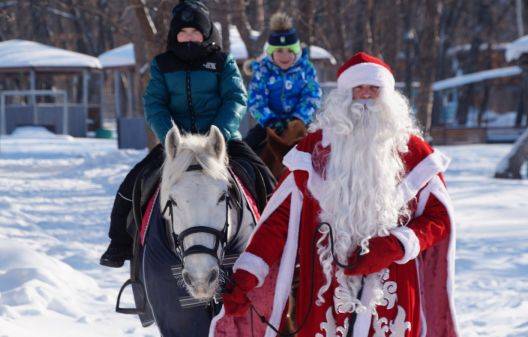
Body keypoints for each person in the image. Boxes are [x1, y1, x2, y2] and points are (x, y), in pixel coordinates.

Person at [220, 52, 459, 337]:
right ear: (344, 95)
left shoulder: (415, 153)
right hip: (325, 289)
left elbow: (439, 219)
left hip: (393, 290)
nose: (367, 96)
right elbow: (279, 220)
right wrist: (248, 273)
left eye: (374, 89)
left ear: (389, 96)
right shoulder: (312, 152)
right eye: (359, 88)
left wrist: (398, 244)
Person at [100, 0, 275, 268]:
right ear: (175, 35)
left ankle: (278, 240)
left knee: (265, 178)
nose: (189, 37)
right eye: (183, 32)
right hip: (178, 145)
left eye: (195, 32)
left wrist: (220, 134)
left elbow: (235, 98)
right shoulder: (162, 64)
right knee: (133, 183)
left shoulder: (222, 62)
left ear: (205, 34)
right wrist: (170, 137)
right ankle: (119, 244)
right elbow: (154, 103)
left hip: (221, 143)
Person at [243, 12, 321, 154]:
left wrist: (298, 118)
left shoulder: (306, 69)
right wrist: (269, 120)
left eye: (289, 51)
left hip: (300, 123)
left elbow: (312, 95)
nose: (285, 56)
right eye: (279, 51)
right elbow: (256, 99)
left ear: (296, 52)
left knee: (320, 148)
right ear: (271, 53)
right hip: (269, 125)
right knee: (244, 149)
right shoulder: (263, 70)